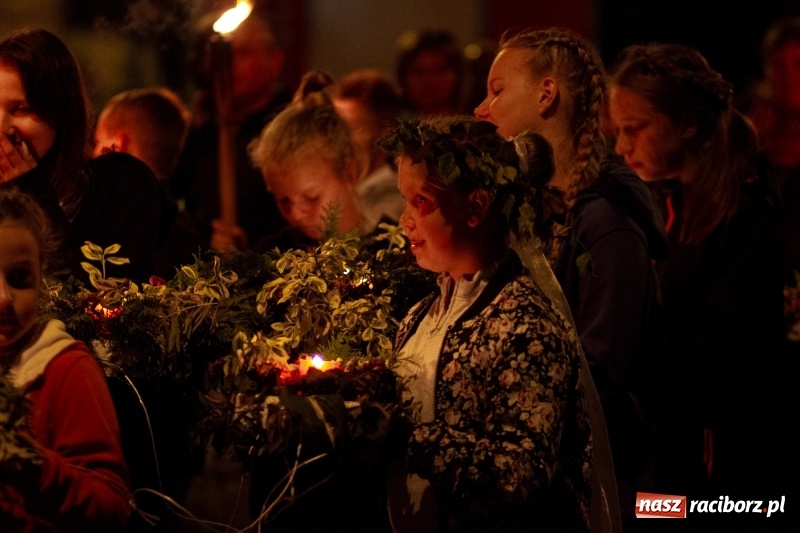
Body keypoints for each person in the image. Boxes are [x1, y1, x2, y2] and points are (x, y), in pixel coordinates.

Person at [383, 115, 617, 532]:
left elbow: (521, 472)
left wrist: (407, 441)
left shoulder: (525, 326)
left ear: (475, 207)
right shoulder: (421, 317)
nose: (404, 220)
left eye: (420, 202)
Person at [474, 27, 666, 517]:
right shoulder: (532, 210)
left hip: (607, 485)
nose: (481, 108)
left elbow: (599, 377)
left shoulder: (608, 224)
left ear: (546, 94)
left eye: (497, 91)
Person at [608, 42, 790, 511]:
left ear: (687, 124)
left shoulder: (750, 216)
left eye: (635, 129)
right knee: (647, 511)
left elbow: (721, 350)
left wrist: (625, 328)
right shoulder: (667, 205)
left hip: (722, 475)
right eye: (617, 131)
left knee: (668, 513)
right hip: (667, 453)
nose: (621, 147)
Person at [0, 27, 175, 284]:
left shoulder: (120, 185)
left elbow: (105, 303)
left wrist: (33, 193)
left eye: (21, 109)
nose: (1, 127)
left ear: (61, 113)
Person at [0, 188, 131, 531]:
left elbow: (112, 506)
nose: (3, 298)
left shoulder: (65, 368)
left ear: (41, 276)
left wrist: (31, 465)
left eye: (19, 278)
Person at [212, 70, 372, 253]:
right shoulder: (275, 253)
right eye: (284, 201)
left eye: (311, 198)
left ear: (349, 172)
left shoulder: (392, 250)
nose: (296, 215)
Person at [171, 13, 291, 248]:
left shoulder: (291, 128)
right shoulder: (198, 133)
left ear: (274, 62)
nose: (228, 64)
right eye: (221, 56)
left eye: (242, 53)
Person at [93, 87, 204, 277]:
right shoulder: (188, 232)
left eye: (98, 141)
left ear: (119, 144)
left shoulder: (116, 228)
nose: (94, 155)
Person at [334, 68, 406, 229]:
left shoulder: (398, 198)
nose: (337, 138)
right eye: (334, 126)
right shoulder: (329, 187)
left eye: (351, 128)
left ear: (385, 133)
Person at [394, 29, 466, 117]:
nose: (428, 79)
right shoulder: (390, 128)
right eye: (418, 70)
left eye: (439, 69)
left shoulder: (474, 127)